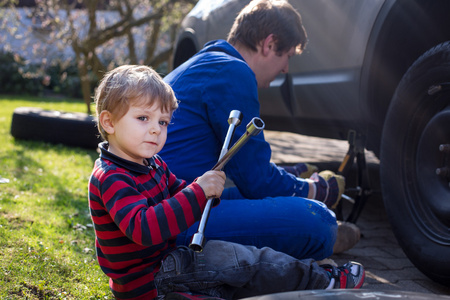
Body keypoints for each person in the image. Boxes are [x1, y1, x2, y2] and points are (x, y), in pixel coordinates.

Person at [88, 64, 365, 300]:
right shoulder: (112, 177)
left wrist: (203, 187)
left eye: (163, 122)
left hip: (166, 263)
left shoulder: (150, 163)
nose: (155, 129)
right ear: (109, 123)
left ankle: (310, 278)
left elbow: (176, 190)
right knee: (242, 261)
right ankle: (321, 282)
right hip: (152, 280)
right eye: (143, 118)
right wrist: (198, 193)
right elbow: (144, 228)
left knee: (242, 265)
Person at [159, 0, 360, 260]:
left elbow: (241, 167)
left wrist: (289, 177)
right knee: (318, 219)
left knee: (257, 198)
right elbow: (255, 180)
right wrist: (315, 190)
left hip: (164, 207)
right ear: (269, 44)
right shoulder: (234, 71)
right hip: (173, 221)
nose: (286, 68)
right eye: (287, 56)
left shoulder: (208, 62)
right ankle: (317, 234)